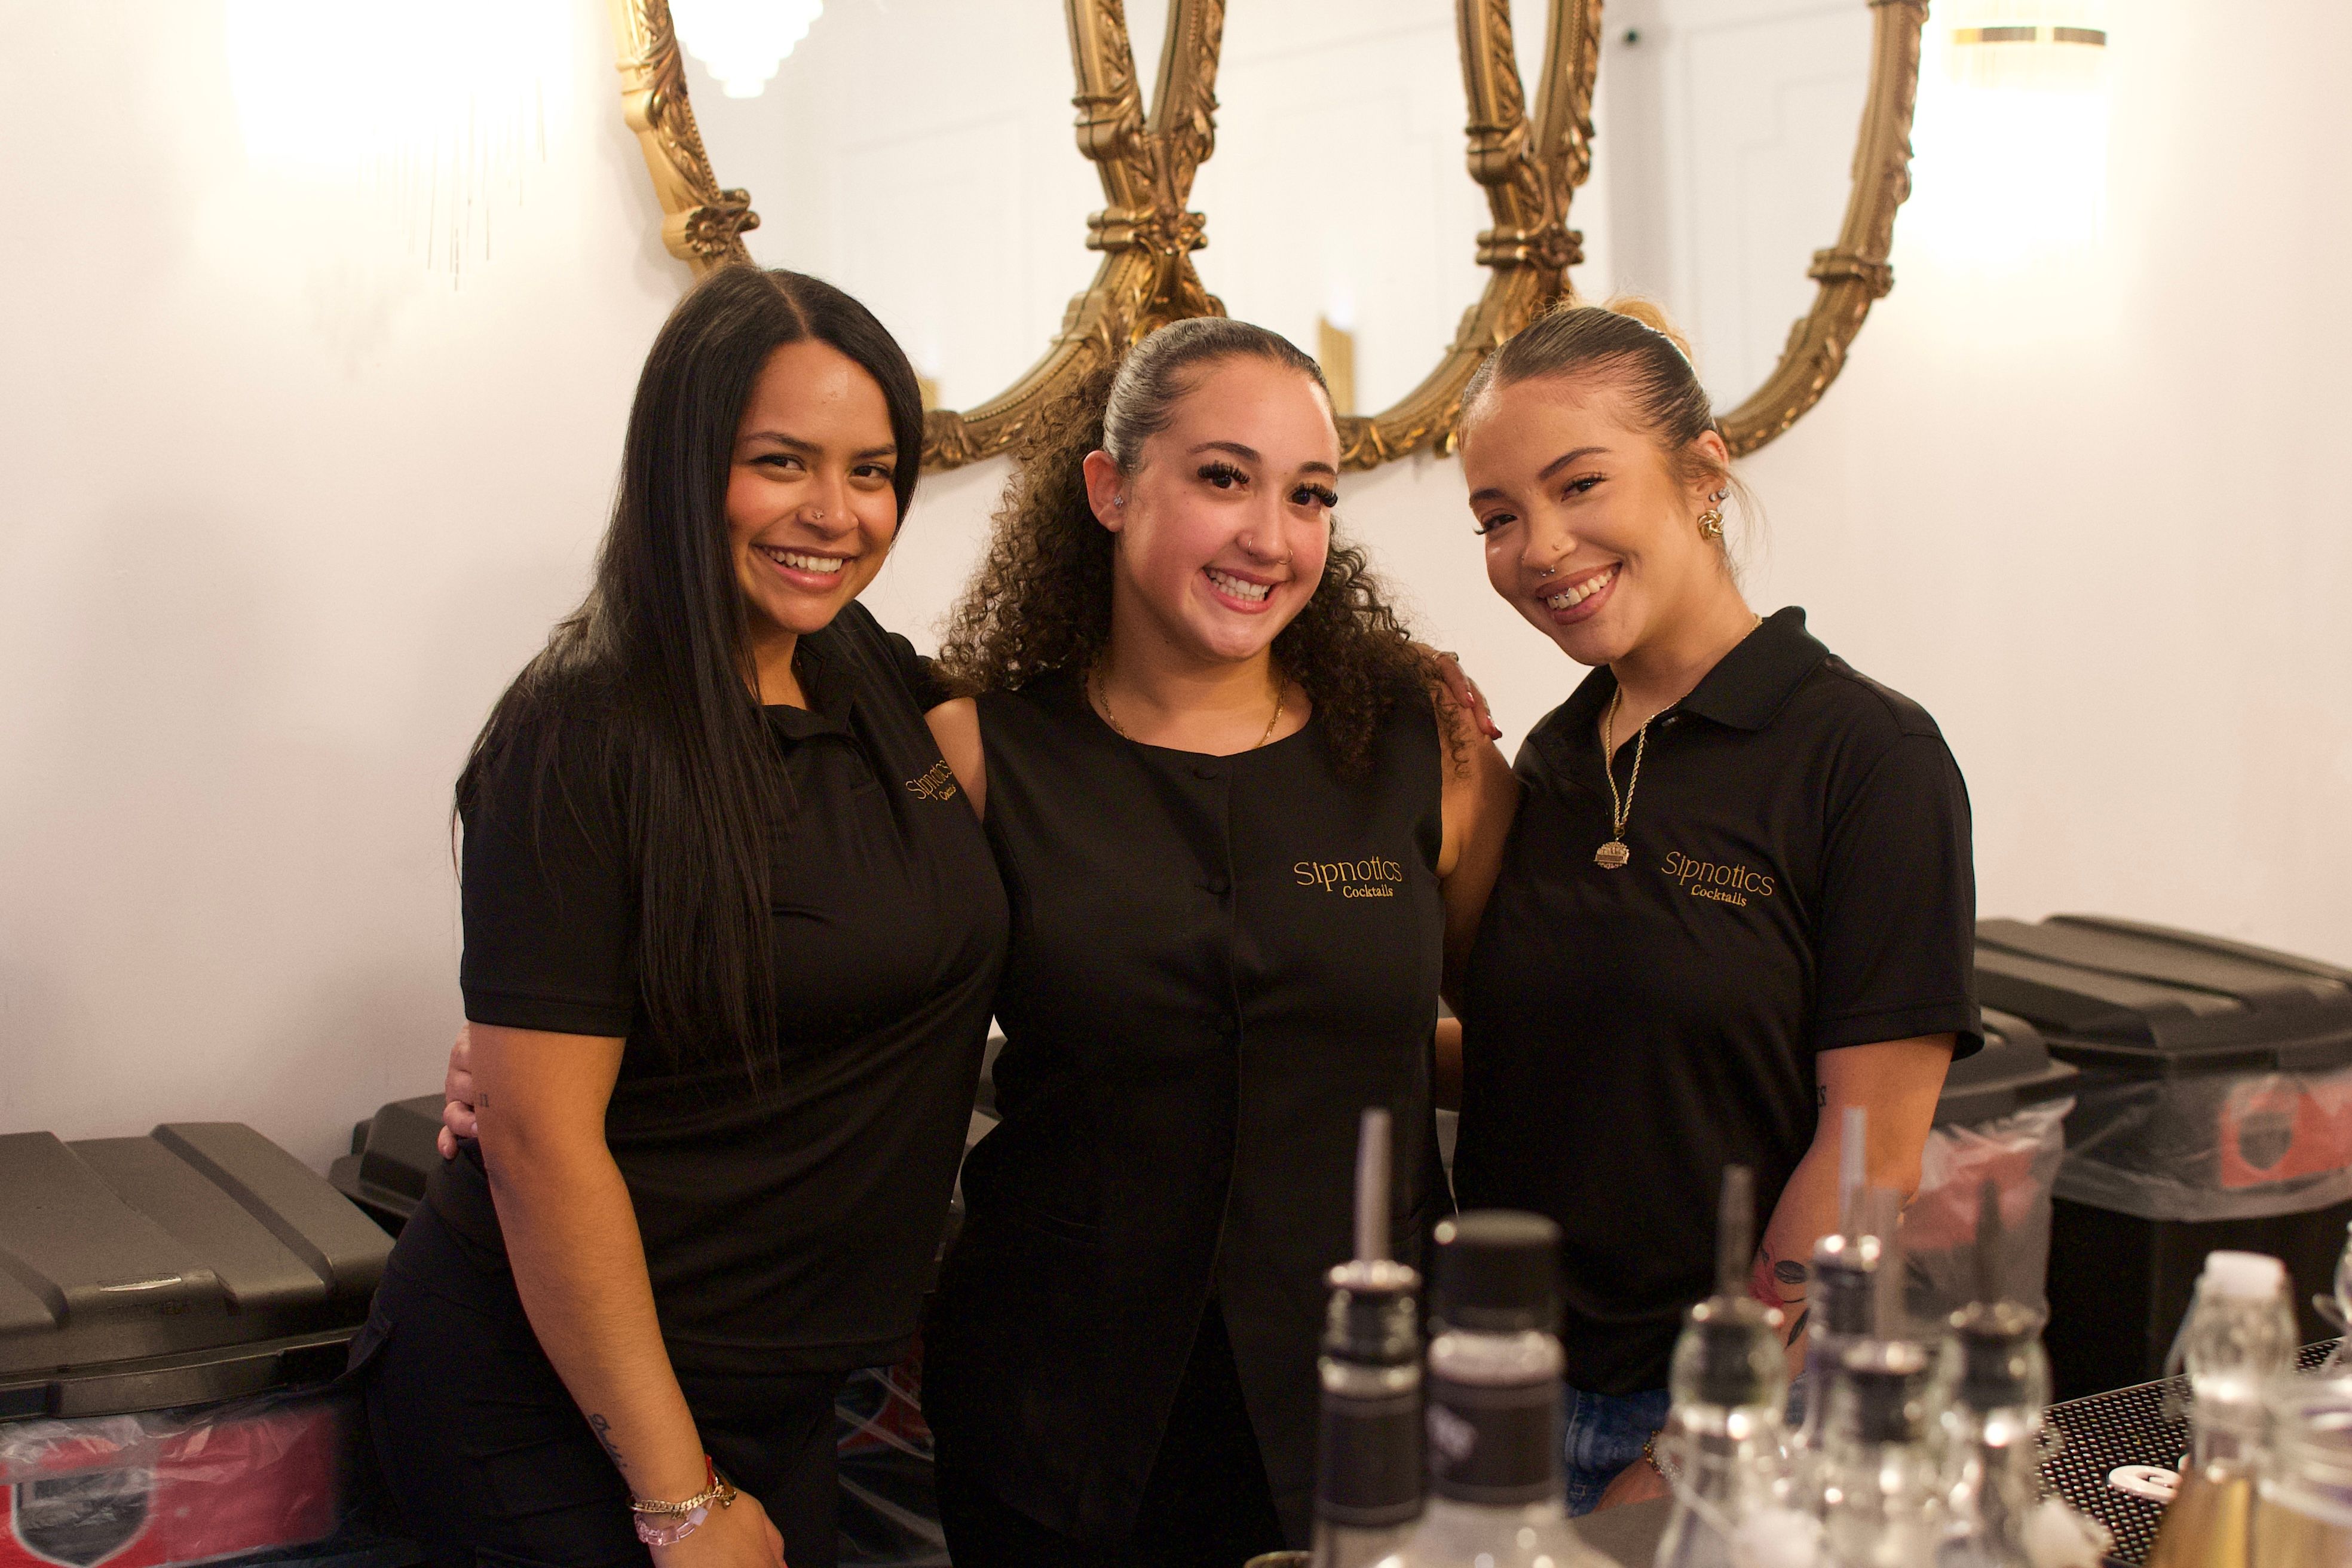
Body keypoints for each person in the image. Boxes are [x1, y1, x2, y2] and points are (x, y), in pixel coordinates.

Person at [358, 266, 1008, 1567]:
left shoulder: (863, 668)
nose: (836, 514)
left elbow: (1053, 733)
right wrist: (679, 1499)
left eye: (873, 471)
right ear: (683, 461)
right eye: (782, 463)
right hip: (554, 1406)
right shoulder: (581, 731)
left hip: (777, 1395)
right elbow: (542, 1150)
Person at [915, 317, 1519, 1568]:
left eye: (1310, 496)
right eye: (1223, 477)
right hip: (1058, 1413)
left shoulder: (1423, 742)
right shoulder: (981, 756)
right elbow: (858, 1015)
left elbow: (1532, 1026)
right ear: (1109, 486)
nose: (1271, 536)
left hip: (1372, 1404)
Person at [1446, 300, 1980, 1514]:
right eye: (1497, 518)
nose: (1540, 546)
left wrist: (1695, 1443)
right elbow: (1555, 1055)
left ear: (1701, 472)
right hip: (1505, 1390)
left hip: (1717, 1423)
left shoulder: (1868, 757)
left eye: (1580, 484)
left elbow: (1869, 1157)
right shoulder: (1561, 753)